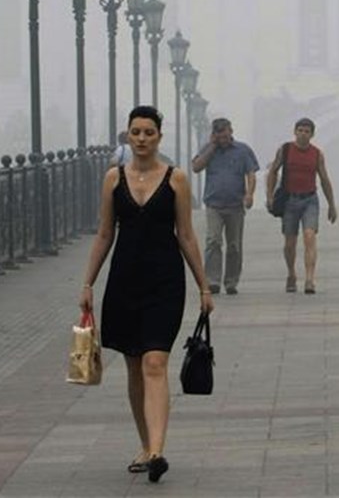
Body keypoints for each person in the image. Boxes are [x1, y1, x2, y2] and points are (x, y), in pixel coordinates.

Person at [80, 105, 213, 485]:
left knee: (155, 361)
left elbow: (186, 235)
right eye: (136, 132)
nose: (141, 139)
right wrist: (88, 284)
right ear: (128, 135)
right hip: (123, 282)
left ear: (159, 136)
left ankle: (157, 451)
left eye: (148, 133)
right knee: (135, 367)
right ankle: (144, 443)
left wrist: (204, 286)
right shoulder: (112, 179)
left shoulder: (176, 180)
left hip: (165, 283)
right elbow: (105, 234)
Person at [265, 117, 337, 294]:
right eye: (300, 130)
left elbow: (325, 179)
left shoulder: (317, 154)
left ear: (312, 134)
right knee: (290, 243)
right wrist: (269, 196)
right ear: (295, 132)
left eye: (307, 131)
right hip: (290, 201)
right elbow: (273, 172)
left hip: (309, 200)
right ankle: (291, 274)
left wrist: (332, 205)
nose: (303, 134)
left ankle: (310, 279)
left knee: (309, 236)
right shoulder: (285, 150)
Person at [191, 117, 259, 296]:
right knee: (213, 241)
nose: (222, 137)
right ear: (214, 134)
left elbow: (251, 173)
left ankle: (231, 281)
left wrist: (250, 194)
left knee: (234, 245)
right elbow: (196, 167)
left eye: (224, 132)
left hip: (235, 205)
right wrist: (211, 147)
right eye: (218, 133)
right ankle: (212, 280)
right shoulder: (208, 149)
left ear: (231, 131)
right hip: (214, 204)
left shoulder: (243, 150)